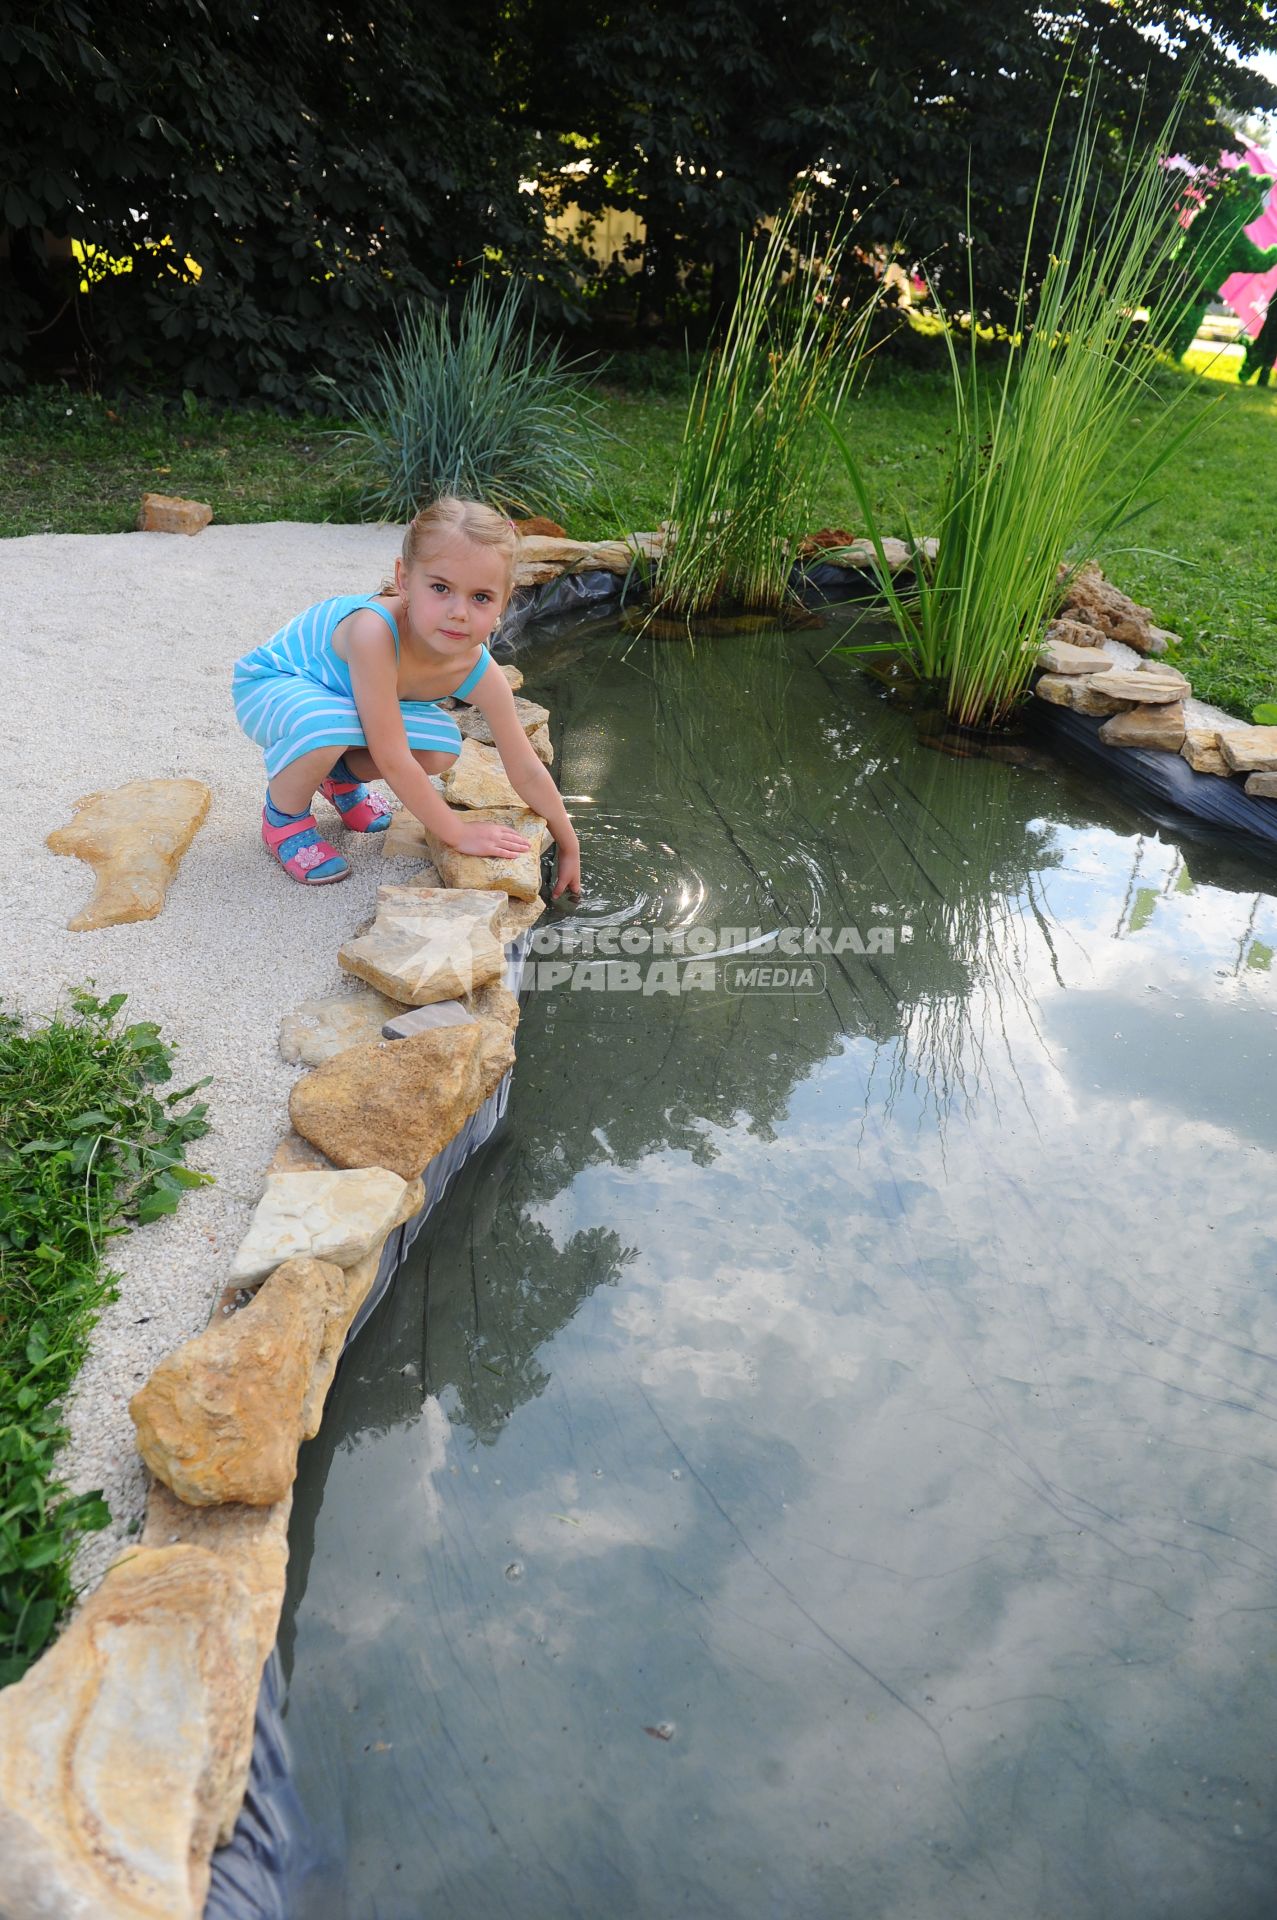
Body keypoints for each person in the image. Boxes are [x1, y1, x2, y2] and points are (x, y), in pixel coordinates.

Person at [231, 496, 581, 898]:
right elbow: (392, 756)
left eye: (480, 597)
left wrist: (568, 841)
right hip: (276, 685)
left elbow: (526, 767)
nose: (459, 612)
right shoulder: (374, 632)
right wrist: (456, 832)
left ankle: (335, 779)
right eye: (440, 588)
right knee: (325, 727)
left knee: (441, 747)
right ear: (404, 580)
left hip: (344, 704)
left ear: (504, 600)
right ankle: (284, 816)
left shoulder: (476, 668)